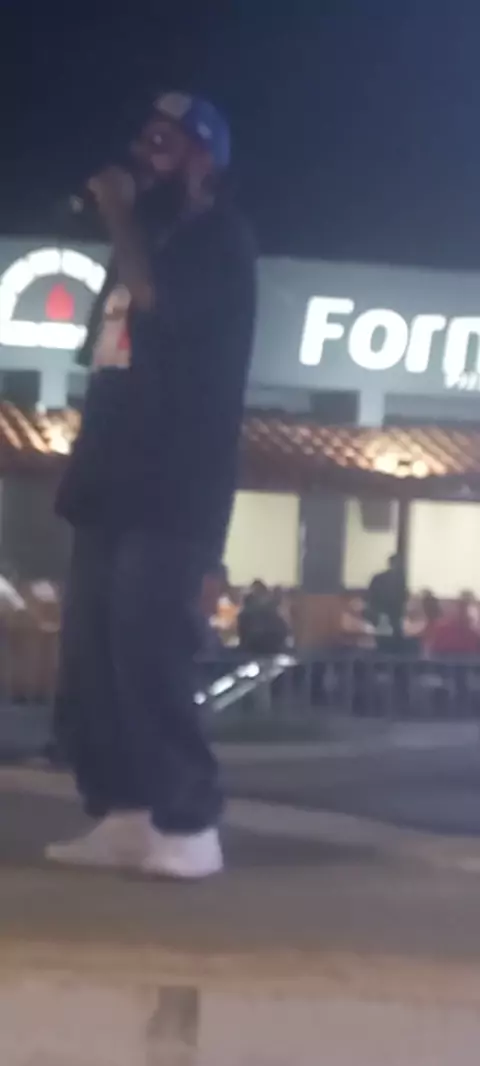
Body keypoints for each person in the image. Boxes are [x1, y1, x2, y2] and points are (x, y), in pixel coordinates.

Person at [49, 91, 257, 878]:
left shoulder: (220, 242)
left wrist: (117, 216)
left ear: (205, 161)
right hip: (108, 478)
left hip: (175, 485)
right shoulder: (144, 243)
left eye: (164, 144)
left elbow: (160, 306)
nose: (143, 157)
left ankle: (189, 819)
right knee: (91, 658)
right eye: (143, 141)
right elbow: (108, 350)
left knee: (148, 647)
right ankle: (125, 810)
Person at [366, 554, 407, 640]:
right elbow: (371, 596)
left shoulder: (400, 579)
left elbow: (402, 597)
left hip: (391, 613)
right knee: (387, 635)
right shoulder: (381, 578)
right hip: (384, 612)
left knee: (391, 635)